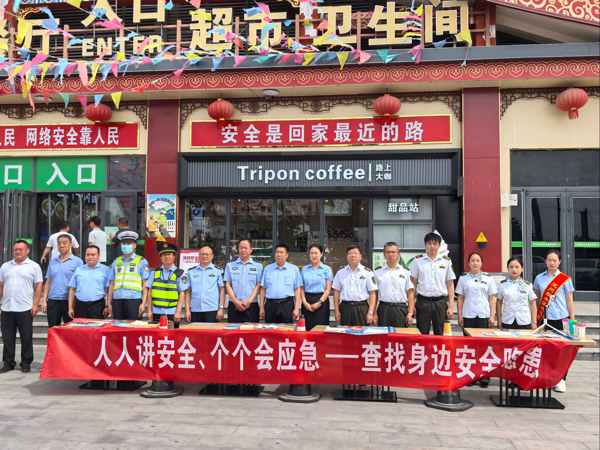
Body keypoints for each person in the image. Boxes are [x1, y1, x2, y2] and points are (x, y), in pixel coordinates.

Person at [533, 249, 575, 393]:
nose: (552, 263)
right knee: (545, 349)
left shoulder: (564, 279)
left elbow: (569, 300)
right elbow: (537, 299)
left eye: (554, 260)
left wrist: (572, 319)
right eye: (549, 260)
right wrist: (535, 317)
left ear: (559, 262)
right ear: (545, 261)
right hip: (544, 318)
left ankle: (561, 379)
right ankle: (546, 377)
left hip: (561, 317)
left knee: (562, 350)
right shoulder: (539, 278)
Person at [0, 240, 43, 373]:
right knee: (7, 338)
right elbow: (1, 285)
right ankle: (8, 362)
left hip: (25, 308)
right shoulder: (5, 266)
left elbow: (38, 286)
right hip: (7, 307)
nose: (17, 252)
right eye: (15, 250)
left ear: (27, 251)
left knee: (26, 337)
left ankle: (26, 362)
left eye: (20, 249)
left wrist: (35, 304)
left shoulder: (34, 266)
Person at [410, 232, 456, 335]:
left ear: (439, 246)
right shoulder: (417, 261)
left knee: (439, 333)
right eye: (429, 243)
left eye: (435, 244)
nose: (432, 246)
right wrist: (412, 305)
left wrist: (451, 306)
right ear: (425, 245)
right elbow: (413, 284)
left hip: (440, 302)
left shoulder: (446, 262)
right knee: (422, 332)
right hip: (423, 302)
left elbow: (450, 284)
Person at [41, 234, 83, 327]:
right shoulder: (53, 261)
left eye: (64, 243)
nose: (61, 245)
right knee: (53, 328)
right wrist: (44, 300)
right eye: (59, 243)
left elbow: (81, 283)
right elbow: (48, 281)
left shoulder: (78, 262)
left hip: (70, 301)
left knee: (70, 329)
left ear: (70, 244)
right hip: (53, 300)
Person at [107, 229, 149, 320]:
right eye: (123, 243)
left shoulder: (141, 261)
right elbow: (111, 284)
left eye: (129, 243)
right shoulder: (116, 261)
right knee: (117, 326)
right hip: (117, 299)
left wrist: (143, 303)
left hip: (134, 300)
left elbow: (145, 284)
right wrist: (109, 303)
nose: (126, 245)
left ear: (135, 245)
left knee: (133, 326)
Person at [332, 246, 378, 326]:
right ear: (347, 257)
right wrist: (336, 310)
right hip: (345, 308)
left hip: (361, 308)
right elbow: (336, 292)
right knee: (344, 332)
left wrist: (371, 312)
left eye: (355, 253)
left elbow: (372, 293)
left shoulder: (367, 272)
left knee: (362, 332)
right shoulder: (340, 273)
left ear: (360, 256)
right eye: (350, 253)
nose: (353, 255)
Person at [259, 244, 303, 324]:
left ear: (286, 255)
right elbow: (263, 289)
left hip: (287, 304)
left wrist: (297, 308)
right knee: (270, 329)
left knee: (286, 329)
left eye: (281, 252)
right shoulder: (267, 269)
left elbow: (297, 290)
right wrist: (261, 307)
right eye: (277, 252)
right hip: (270, 305)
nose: (278, 254)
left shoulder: (294, 269)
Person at [375, 242, 415, 328]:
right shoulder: (378, 272)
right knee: (383, 334)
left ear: (398, 254)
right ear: (384, 254)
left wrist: (410, 313)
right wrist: (374, 313)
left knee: (400, 334)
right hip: (383, 309)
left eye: (393, 252)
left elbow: (410, 293)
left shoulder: (406, 272)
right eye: (388, 252)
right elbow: (375, 294)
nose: (390, 254)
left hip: (400, 309)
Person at [144, 241, 186, 323]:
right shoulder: (154, 273)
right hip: (156, 312)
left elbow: (182, 294)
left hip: (172, 312)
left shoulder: (180, 273)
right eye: (164, 255)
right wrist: (149, 311)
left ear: (174, 256)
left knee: (173, 332)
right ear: (160, 257)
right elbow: (150, 293)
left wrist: (178, 312)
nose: (166, 257)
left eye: (169, 254)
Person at [182, 245, 225, 323]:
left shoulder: (218, 271)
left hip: (212, 309)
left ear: (212, 256)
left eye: (207, 254)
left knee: (211, 331)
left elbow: (222, 290)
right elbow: (188, 292)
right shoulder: (191, 271)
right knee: (195, 331)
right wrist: (187, 310)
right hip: (195, 309)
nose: (205, 256)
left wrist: (221, 308)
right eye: (202, 254)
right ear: (199, 256)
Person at [456, 252, 498, 330]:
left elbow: (492, 299)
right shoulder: (463, 278)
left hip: (484, 315)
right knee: (468, 337)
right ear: (468, 263)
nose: (475, 263)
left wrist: (492, 316)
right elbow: (460, 299)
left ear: (481, 263)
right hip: (468, 315)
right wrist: (459, 315)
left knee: (483, 337)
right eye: (472, 260)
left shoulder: (488, 278)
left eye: (478, 261)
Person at [224, 239, 263, 323]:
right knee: (233, 330)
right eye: (241, 248)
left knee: (251, 330)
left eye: (245, 248)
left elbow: (258, 285)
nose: (243, 250)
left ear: (251, 250)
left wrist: (249, 301)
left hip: (252, 305)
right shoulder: (230, 266)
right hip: (234, 305)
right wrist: (236, 301)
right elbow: (228, 284)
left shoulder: (258, 266)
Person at [67, 246, 111, 319]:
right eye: (87, 255)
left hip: (98, 306)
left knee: (96, 326)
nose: (90, 257)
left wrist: (107, 306)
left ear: (98, 256)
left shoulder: (106, 270)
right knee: (80, 326)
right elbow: (72, 289)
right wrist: (70, 308)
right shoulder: (79, 269)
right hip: (80, 305)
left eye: (93, 255)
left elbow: (108, 290)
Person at [498, 257, 537, 330]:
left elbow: (533, 303)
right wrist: (499, 320)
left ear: (522, 269)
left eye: (517, 267)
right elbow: (499, 302)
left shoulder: (527, 285)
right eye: (511, 267)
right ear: (508, 269)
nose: (514, 269)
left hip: (524, 321)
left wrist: (534, 322)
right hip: (507, 320)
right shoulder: (502, 284)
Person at [300, 244, 333, 330]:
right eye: (311, 253)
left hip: (322, 300)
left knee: (320, 329)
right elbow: (301, 288)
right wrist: (304, 302)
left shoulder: (327, 269)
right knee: (306, 328)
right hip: (307, 300)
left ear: (321, 254)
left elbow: (328, 289)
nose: (313, 255)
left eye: (316, 253)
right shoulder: (304, 269)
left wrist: (319, 302)